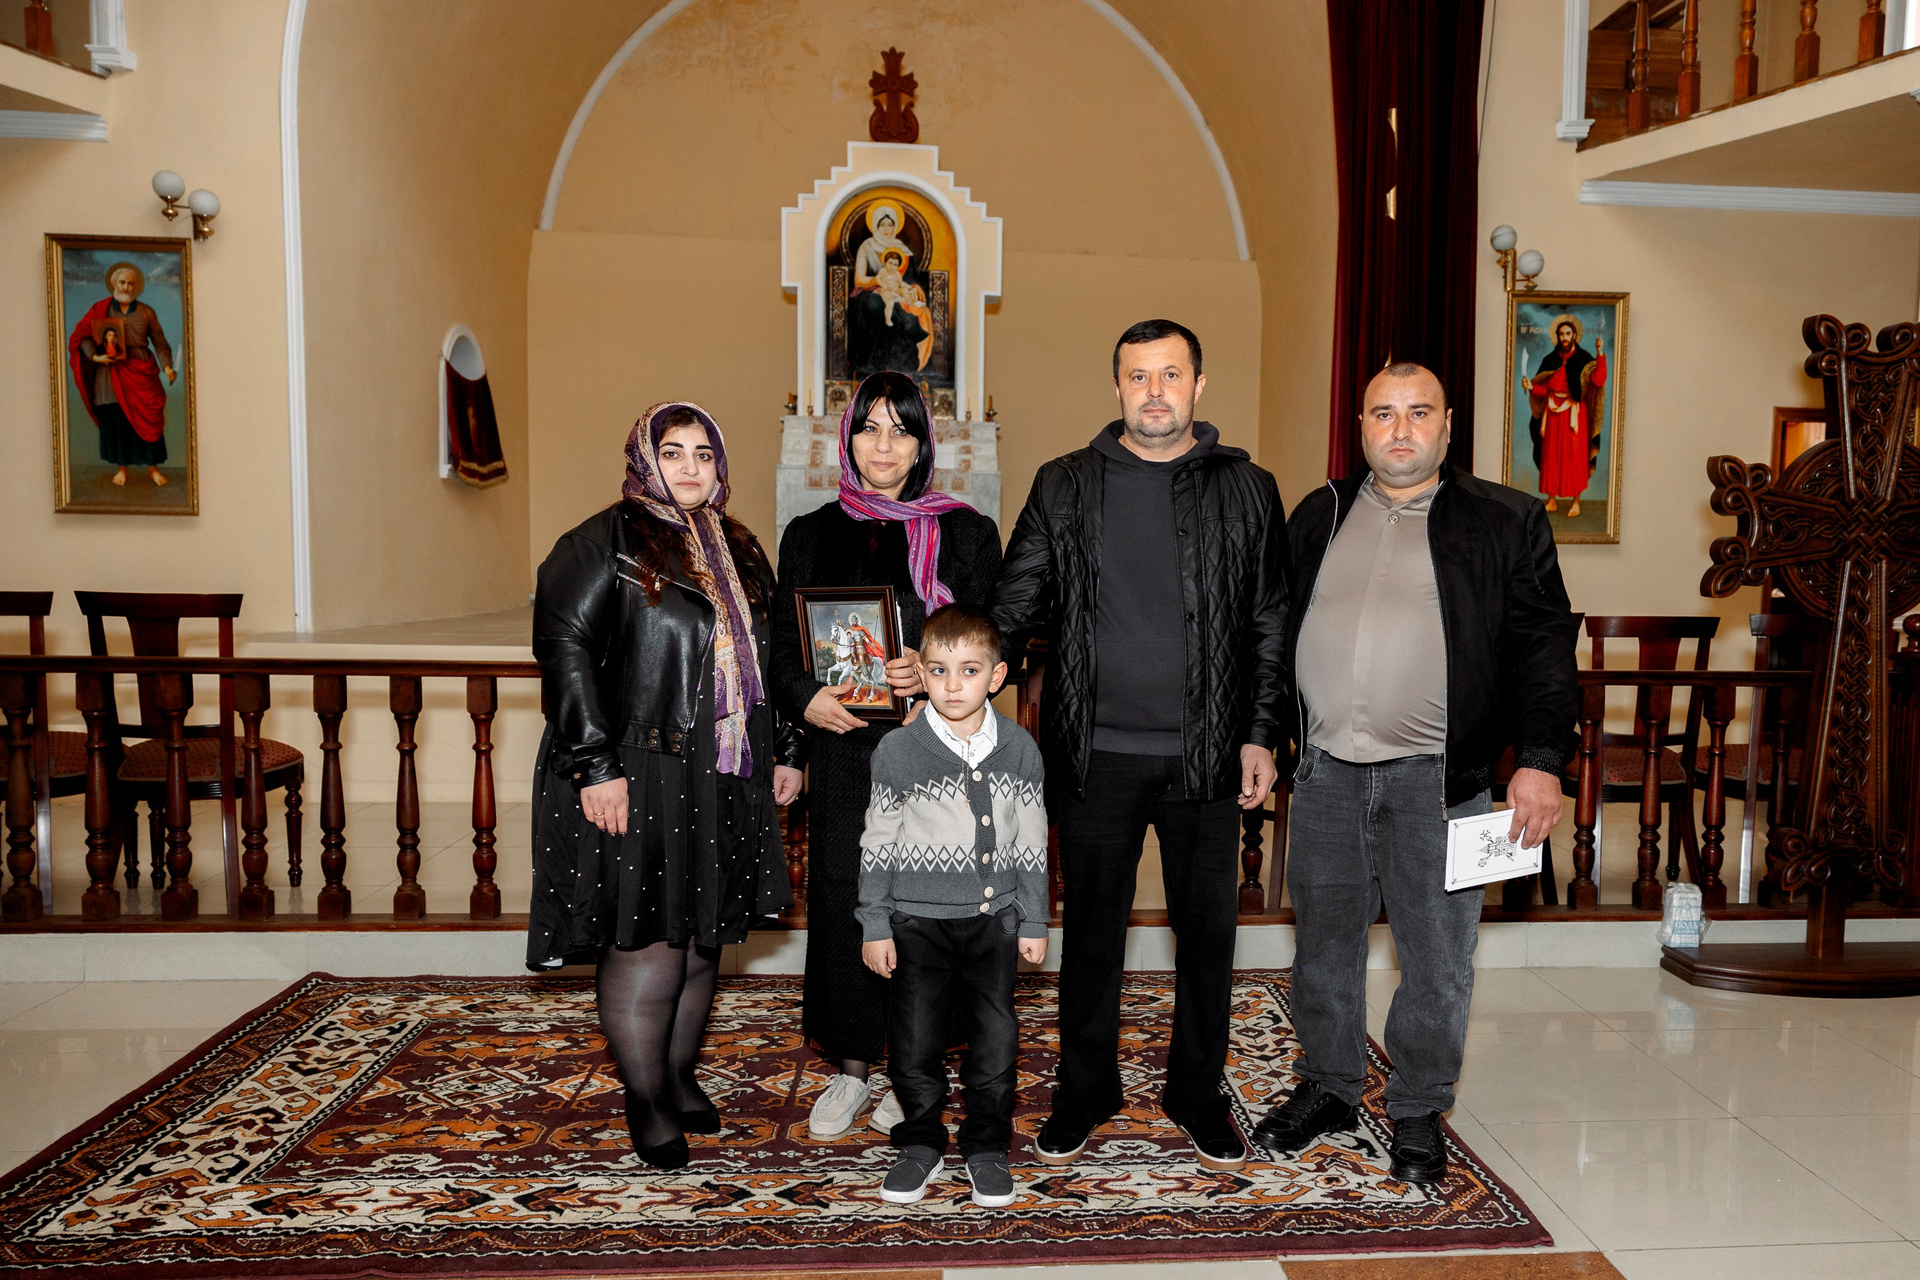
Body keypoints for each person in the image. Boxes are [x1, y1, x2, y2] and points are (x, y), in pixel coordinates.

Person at [1255, 362, 1578, 1184]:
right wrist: (1263, 735)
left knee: (1436, 958)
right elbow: (1275, 634)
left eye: (1418, 412)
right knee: (1323, 948)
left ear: (1447, 424)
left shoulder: (1504, 519)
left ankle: (1417, 1107)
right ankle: (1329, 1086)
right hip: (1324, 774)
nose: (1400, 430)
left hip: (1439, 781)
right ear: (1360, 425)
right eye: (1383, 413)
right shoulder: (1321, 512)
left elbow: (1544, 649)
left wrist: (1541, 763)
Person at [990, 318, 1289, 1172]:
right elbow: (1015, 605)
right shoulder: (1064, 484)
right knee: (1090, 937)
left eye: (1170, 374)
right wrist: (950, 681)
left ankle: (1196, 1094)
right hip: (1095, 757)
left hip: (1208, 757)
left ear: (1199, 385)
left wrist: (1262, 733)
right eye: (1138, 376)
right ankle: (1085, 1091)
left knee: (1208, 938)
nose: (1154, 391)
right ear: (1116, 387)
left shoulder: (1249, 489)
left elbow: (1271, 623)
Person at [529, 401, 805, 1171]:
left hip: (724, 767)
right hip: (638, 765)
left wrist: (786, 748)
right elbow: (565, 652)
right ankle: (646, 1098)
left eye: (703, 454)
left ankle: (678, 1076)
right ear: (645, 460)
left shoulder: (738, 546)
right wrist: (596, 768)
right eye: (673, 451)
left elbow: (774, 656)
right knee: (648, 936)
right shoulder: (599, 542)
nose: (689, 467)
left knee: (702, 934)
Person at [772, 370, 1003, 1140]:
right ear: (848, 440)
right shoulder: (809, 534)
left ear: (923, 444)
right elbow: (781, 650)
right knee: (848, 907)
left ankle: (917, 1066)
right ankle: (851, 1068)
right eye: (869, 428)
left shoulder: (966, 534)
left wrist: (929, 669)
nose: (884, 445)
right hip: (844, 756)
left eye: (901, 430)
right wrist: (806, 696)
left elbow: (992, 644)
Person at [856, 605, 1049, 1208]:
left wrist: (1035, 917)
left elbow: (1033, 842)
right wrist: (874, 921)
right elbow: (877, 842)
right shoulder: (897, 751)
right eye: (938, 670)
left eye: (969, 670)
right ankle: (920, 1142)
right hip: (916, 925)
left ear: (996, 676)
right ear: (921, 674)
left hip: (994, 924)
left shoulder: (1020, 750)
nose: (953, 685)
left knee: (994, 1042)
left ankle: (987, 1144)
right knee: (914, 1041)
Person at [67, 262, 177, 488]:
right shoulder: (100, 309)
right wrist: (95, 357)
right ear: (114, 284)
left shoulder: (147, 312)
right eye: (122, 282)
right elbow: (83, 337)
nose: (126, 287)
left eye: (131, 283)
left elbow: (159, 342)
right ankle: (122, 469)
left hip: (141, 371)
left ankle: (153, 469)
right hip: (111, 373)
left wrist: (167, 366)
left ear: (136, 286)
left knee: (148, 419)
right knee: (117, 421)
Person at [1523, 317, 1607, 517]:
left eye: (1568, 333)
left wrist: (1600, 353)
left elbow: (1598, 380)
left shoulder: (1584, 359)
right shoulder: (1550, 360)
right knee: (1551, 458)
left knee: (1575, 458)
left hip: (1574, 416)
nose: (1564, 337)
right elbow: (1545, 390)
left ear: (1574, 335)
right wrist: (1532, 386)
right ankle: (1552, 501)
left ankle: (1576, 501)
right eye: (1561, 334)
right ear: (1557, 337)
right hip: (1552, 416)